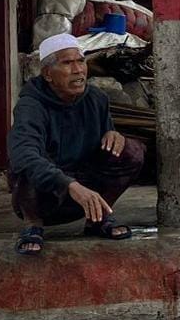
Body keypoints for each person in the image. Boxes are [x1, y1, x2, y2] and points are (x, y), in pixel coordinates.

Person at [8, 33, 145, 255]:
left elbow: (108, 136)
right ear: (47, 74)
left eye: (81, 61)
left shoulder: (97, 99)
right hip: (45, 196)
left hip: (86, 187)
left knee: (132, 151)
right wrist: (70, 185)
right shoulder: (30, 106)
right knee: (26, 164)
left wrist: (114, 135)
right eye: (67, 63)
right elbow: (23, 154)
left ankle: (98, 217)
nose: (78, 70)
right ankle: (33, 225)